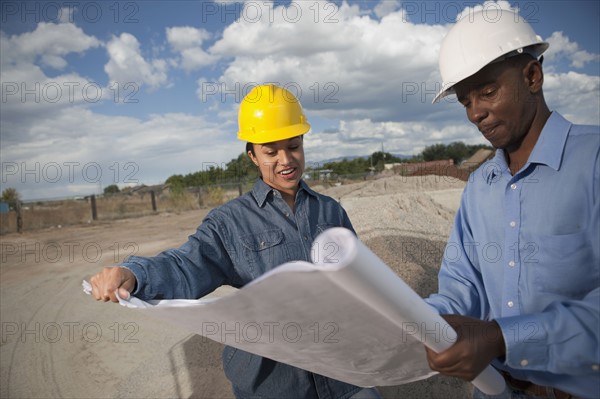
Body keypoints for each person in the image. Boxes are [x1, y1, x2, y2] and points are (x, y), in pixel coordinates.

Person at [89, 84, 382, 399]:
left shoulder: (330, 210)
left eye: (293, 146)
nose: (286, 160)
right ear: (252, 155)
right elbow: (185, 266)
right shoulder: (229, 222)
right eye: (271, 151)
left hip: (342, 374)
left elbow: (359, 279)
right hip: (276, 383)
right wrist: (133, 274)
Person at [423, 8, 599, 399]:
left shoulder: (594, 162)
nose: (475, 113)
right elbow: (461, 286)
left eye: (487, 91)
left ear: (532, 77)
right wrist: (419, 320)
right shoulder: (479, 187)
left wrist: (502, 337)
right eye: (465, 101)